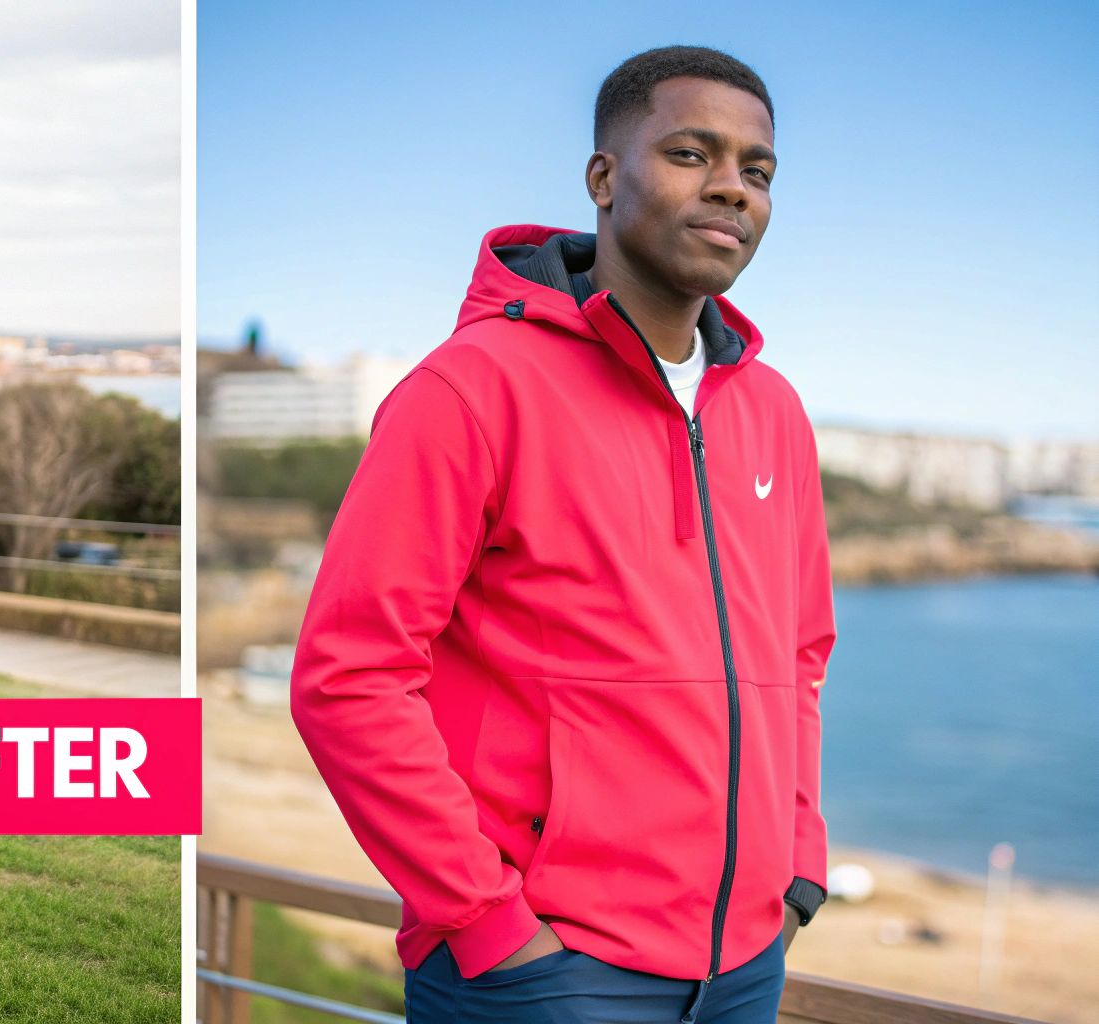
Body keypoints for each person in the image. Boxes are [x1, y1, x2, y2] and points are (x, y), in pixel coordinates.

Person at [289, 47, 834, 1024]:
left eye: (756, 171)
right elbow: (348, 674)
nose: (729, 188)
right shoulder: (470, 389)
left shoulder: (775, 413)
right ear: (601, 177)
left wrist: (795, 867)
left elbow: (796, 660)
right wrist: (488, 921)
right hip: (546, 973)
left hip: (744, 965)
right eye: (687, 152)